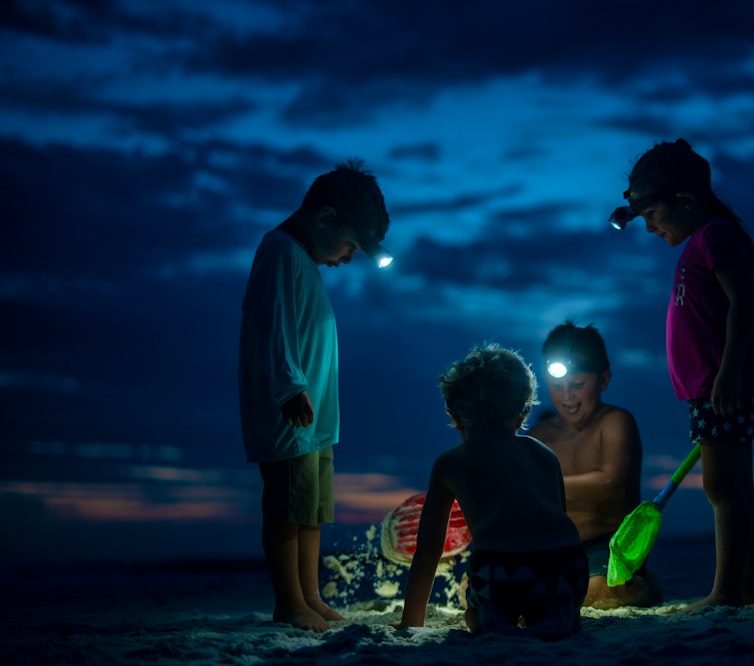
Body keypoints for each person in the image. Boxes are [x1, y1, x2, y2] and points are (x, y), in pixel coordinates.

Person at [609, 139, 754, 610]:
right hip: (715, 388)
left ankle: (725, 593)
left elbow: (744, 302)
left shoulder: (715, 236)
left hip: (723, 388)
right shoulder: (704, 241)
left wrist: (726, 375)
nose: (649, 227)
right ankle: (745, 589)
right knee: (737, 486)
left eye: (651, 214)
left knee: (723, 487)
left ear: (683, 200)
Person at [239, 159, 391, 632]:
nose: (347, 258)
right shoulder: (281, 252)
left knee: (311, 509)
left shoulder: (303, 260)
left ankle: (310, 595)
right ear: (325, 218)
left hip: (316, 420)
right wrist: (289, 387)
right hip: (291, 415)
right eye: (349, 245)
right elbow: (274, 326)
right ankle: (289, 602)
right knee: (287, 507)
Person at [397, 344, 588, 639]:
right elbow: (559, 519)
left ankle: (493, 618)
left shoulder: (451, 462)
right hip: (566, 566)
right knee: (550, 598)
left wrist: (411, 621)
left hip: (502, 570)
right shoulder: (544, 454)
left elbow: (428, 550)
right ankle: (560, 613)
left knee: (473, 614)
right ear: (523, 414)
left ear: (454, 412)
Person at [528, 321, 662, 609]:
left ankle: (641, 585)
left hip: (607, 545)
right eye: (557, 386)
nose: (567, 396)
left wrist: (537, 484)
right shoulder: (538, 436)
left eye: (578, 385)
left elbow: (610, 484)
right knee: (493, 589)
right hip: (553, 548)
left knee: (597, 595)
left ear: (604, 379)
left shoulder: (615, 422)